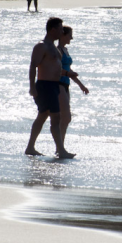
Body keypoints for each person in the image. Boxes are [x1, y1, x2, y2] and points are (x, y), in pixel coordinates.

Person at [25, 17, 78, 159]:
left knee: (43, 116)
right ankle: (60, 150)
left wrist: (68, 73)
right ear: (52, 29)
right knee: (55, 117)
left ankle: (31, 147)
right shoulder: (41, 46)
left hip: (54, 86)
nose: (62, 31)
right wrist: (32, 87)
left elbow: (56, 68)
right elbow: (33, 66)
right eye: (60, 29)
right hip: (44, 86)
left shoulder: (55, 48)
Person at [57, 26, 89, 146]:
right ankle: (60, 147)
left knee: (64, 118)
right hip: (58, 84)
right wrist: (68, 73)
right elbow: (57, 69)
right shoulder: (58, 50)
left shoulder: (65, 50)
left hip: (66, 84)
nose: (72, 37)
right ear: (63, 35)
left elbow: (68, 69)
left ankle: (60, 147)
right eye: (70, 35)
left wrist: (81, 85)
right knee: (65, 117)